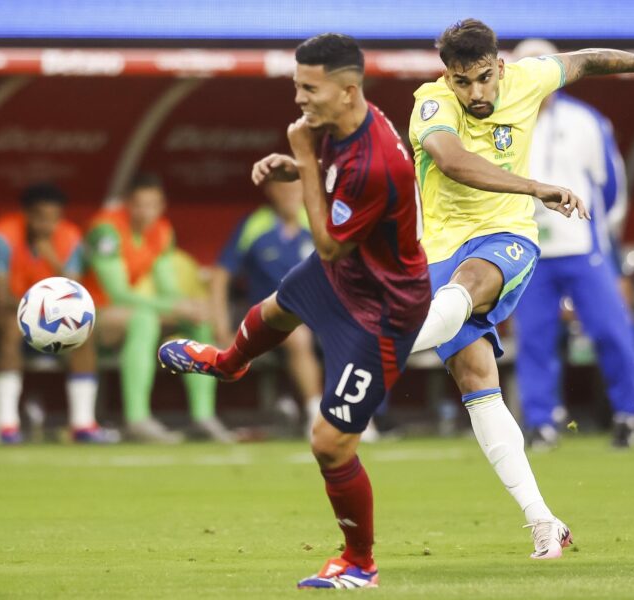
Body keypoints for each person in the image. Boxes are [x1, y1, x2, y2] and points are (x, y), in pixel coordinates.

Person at [407, 19, 634, 558]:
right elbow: (452, 160)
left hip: (509, 238)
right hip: (444, 248)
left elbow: (587, 59)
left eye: (481, 79)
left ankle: (374, 343)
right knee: (478, 382)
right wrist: (536, 185)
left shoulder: (529, 81)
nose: (474, 93)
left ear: (500, 67)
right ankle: (545, 520)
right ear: (446, 76)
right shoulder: (431, 102)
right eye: (461, 81)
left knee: (472, 288)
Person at [158, 33, 430, 589]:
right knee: (275, 310)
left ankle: (360, 562)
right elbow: (331, 185)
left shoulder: (376, 163)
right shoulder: (341, 123)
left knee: (330, 444)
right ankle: (230, 362)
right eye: (296, 85)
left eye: (310, 88)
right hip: (346, 275)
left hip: (382, 307)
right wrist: (298, 164)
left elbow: (329, 244)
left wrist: (303, 159)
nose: (300, 99)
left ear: (349, 90)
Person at [510, 39, 634, 449]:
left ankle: (628, 414)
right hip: (530, 247)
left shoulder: (587, 121)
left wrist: (601, 231)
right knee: (533, 337)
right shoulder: (504, 123)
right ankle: (541, 421)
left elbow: (611, 187)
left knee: (610, 329)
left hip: (583, 244)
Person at [84, 172, 231, 443]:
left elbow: (167, 286)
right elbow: (117, 293)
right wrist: (173, 306)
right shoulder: (105, 230)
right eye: (139, 204)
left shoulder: (162, 231)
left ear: (161, 205)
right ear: (128, 203)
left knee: (196, 320)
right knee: (145, 319)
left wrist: (186, 305)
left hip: (131, 311)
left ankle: (203, 417)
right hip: (94, 314)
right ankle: (137, 419)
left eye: (152, 205)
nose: (145, 212)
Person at [0, 183, 111, 444]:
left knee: (81, 332)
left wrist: (52, 259)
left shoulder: (69, 237)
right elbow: (1, 298)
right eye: (40, 217)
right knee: (11, 326)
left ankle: (83, 425)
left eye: (54, 218)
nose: (47, 225)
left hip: (39, 319)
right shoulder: (2, 236)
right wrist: (45, 309)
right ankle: (6, 427)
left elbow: (74, 297)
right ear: (26, 214)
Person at [210, 180, 323, 434]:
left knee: (360, 333)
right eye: (284, 189)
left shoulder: (316, 221)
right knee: (298, 335)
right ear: (271, 191)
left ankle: (360, 416)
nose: (291, 195)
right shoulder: (254, 225)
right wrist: (221, 328)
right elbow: (220, 276)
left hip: (319, 314)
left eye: (296, 189)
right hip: (269, 317)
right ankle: (317, 416)